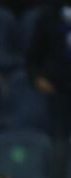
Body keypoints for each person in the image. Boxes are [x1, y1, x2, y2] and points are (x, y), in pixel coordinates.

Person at [26, 2, 71, 138]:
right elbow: (32, 58)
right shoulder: (48, 16)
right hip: (58, 91)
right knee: (59, 141)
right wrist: (37, 79)